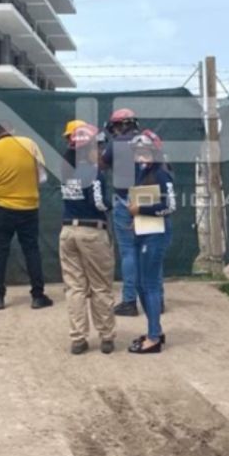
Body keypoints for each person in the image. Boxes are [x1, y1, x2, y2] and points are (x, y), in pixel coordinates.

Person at [0, 122, 53, 311]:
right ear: (13, 131)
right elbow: (42, 177)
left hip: (2, 208)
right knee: (31, 250)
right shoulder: (30, 144)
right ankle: (37, 296)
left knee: (0, 252)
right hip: (29, 207)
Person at [59, 122, 116, 355]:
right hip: (92, 231)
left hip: (67, 231)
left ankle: (78, 338)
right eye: (97, 146)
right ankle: (106, 336)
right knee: (100, 286)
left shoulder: (66, 170)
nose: (100, 150)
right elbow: (98, 203)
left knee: (75, 287)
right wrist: (113, 205)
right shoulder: (93, 172)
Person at [126, 130, 175, 355]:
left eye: (144, 151)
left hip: (156, 234)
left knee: (150, 284)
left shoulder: (162, 173)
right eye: (137, 152)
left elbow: (170, 206)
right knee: (139, 284)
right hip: (142, 231)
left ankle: (154, 337)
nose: (139, 156)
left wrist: (141, 210)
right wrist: (135, 217)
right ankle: (154, 330)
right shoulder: (143, 171)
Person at [102, 108, 144, 317]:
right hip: (148, 199)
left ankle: (129, 301)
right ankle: (157, 299)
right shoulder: (148, 140)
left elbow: (102, 165)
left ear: (119, 125)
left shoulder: (116, 143)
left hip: (125, 199)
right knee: (149, 250)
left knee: (128, 251)